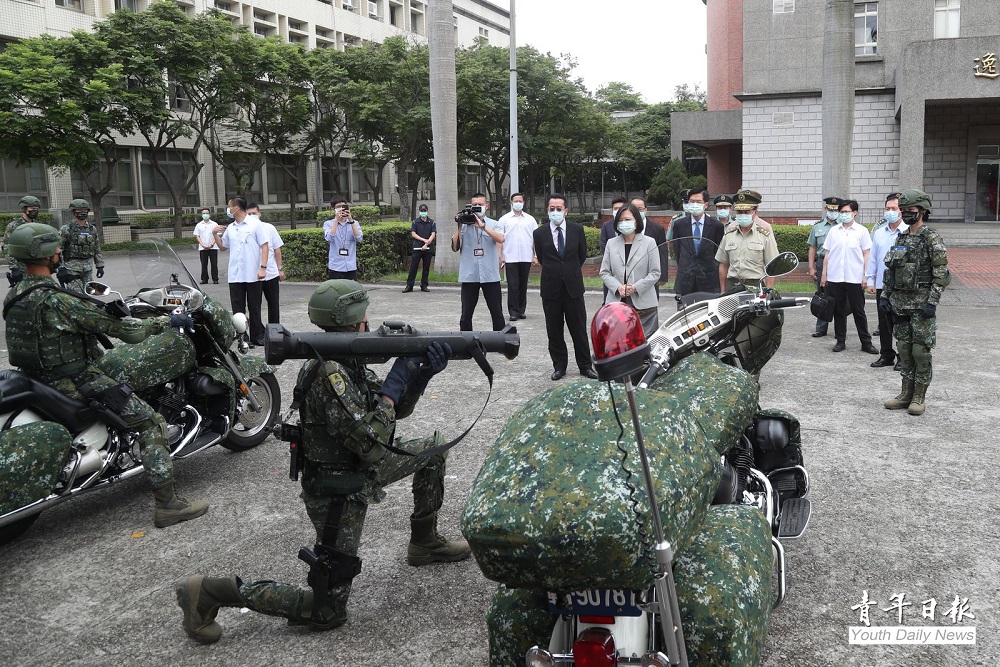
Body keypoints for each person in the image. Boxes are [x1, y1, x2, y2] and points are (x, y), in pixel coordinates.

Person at [173, 280, 469, 643]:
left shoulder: (348, 361)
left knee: (433, 450)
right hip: (338, 492)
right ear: (354, 321)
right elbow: (373, 443)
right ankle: (210, 592)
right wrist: (394, 386)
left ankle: (424, 541)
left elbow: (390, 414)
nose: (370, 322)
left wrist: (419, 378)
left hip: (359, 469)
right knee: (327, 612)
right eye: (365, 317)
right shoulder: (332, 374)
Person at [3, 223, 208, 527]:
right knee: (151, 421)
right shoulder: (57, 300)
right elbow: (126, 331)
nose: (61, 251)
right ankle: (168, 506)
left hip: (37, 379)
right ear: (44, 255)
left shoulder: (16, 295)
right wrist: (166, 323)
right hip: (76, 382)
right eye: (56, 248)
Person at [881, 189, 950, 416]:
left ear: (922, 211)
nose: (905, 214)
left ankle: (919, 396)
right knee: (904, 350)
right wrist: (885, 296)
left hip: (922, 306)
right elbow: (891, 270)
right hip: (900, 303)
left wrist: (932, 302)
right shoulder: (901, 238)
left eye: (909, 210)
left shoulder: (931, 238)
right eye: (903, 210)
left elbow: (941, 274)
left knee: (920, 351)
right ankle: (905, 394)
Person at [532, 193, 598, 381]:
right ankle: (559, 366)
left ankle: (585, 366)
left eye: (558, 209)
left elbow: (581, 255)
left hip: (573, 287)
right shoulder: (539, 233)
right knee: (554, 330)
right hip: (551, 288)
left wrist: (568, 270)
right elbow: (543, 258)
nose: (555, 212)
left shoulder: (577, 230)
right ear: (547, 210)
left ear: (566, 211)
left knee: (578, 329)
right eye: (551, 209)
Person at [820, 198, 878, 355]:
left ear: (855, 213)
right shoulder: (834, 231)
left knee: (859, 311)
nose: (843, 215)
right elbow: (827, 253)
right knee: (838, 310)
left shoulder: (861, 231)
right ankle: (840, 341)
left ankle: (866, 343)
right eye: (841, 212)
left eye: (846, 212)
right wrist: (824, 275)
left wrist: (866, 276)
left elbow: (867, 254)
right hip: (835, 278)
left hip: (854, 278)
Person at [214, 196, 269, 346]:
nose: (228, 209)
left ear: (236, 208)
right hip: (235, 275)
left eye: (229, 206)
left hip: (253, 274)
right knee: (238, 309)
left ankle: (257, 336)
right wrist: (214, 234)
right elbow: (223, 247)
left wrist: (263, 268)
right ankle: (242, 337)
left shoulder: (255, 224)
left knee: (254, 307)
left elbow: (265, 246)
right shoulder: (231, 228)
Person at [600, 203, 661, 336]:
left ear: (636, 221)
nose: (624, 223)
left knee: (644, 345)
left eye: (627, 220)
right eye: (620, 220)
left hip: (644, 305)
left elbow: (655, 272)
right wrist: (618, 287)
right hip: (617, 303)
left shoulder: (649, 242)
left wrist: (636, 287)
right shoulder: (611, 243)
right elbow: (604, 272)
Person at [451, 193, 506, 331]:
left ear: (486, 206)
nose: (476, 207)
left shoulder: (494, 224)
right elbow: (455, 247)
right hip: (470, 275)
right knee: (466, 314)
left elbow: (500, 239)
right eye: (474, 205)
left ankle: (500, 341)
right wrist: (459, 224)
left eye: (480, 205)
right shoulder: (464, 226)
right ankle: (465, 342)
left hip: (490, 274)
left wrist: (482, 226)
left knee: (497, 312)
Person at [866, 193, 907, 369]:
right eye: (888, 209)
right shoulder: (879, 233)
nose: (890, 212)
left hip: (902, 286)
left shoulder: (908, 232)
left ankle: (902, 357)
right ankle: (886, 355)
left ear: (901, 211)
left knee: (902, 322)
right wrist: (870, 280)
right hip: (883, 285)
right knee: (884, 322)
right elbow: (873, 258)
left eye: (894, 209)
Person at [715, 189, 778, 291]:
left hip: (756, 285)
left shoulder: (764, 234)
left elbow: (771, 266)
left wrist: (768, 291)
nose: (743, 215)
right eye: (740, 212)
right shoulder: (729, 234)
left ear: (754, 212)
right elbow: (723, 264)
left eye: (747, 212)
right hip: (732, 285)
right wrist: (722, 291)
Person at [670, 187, 725, 297]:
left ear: (705, 205)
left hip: (709, 281)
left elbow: (718, 252)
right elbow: (677, 250)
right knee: (685, 313)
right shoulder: (679, 225)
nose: (695, 204)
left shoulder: (716, 226)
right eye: (692, 201)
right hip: (685, 280)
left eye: (698, 202)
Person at [497, 193, 537, 320]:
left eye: (520, 201)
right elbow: (499, 239)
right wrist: (500, 255)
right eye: (516, 201)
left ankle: (521, 310)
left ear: (524, 202)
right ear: (511, 203)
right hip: (510, 256)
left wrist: (535, 255)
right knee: (513, 285)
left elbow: (535, 239)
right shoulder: (504, 219)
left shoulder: (530, 219)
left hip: (526, 256)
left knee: (523, 284)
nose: (518, 203)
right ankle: (513, 312)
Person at [807, 197, 842, 338]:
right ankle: (821, 328)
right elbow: (812, 248)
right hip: (822, 262)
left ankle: (840, 330)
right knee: (823, 294)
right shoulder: (818, 226)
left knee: (840, 296)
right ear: (825, 209)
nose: (832, 212)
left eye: (835, 210)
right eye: (830, 209)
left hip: (840, 262)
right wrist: (811, 267)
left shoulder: (843, 226)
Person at [247, 203, 284, 325]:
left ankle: (275, 329)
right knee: (254, 306)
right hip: (253, 275)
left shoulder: (269, 228)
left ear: (260, 214)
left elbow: (277, 250)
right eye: (249, 214)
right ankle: (258, 331)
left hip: (271, 273)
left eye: (254, 213)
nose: (252, 216)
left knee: (273, 303)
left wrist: (280, 269)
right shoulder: (245, 229)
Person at [58, 199, 105, 293]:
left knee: (90, 294)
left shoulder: (92, 229)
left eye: (85, 210)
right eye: (79, 210)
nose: (82, 212)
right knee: (77, 295)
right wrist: (61, 268)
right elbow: (58, 249)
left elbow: (96, 248)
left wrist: (100, 265)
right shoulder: (66, 229)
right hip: (71, 269)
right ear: (73, 211)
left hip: (87, 268)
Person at [630, 196, 669, 297]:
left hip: (650, 276)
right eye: (634, 209)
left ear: (645, 210)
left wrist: (662, 276)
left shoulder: (657, 229)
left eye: (640, 209)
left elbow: (662, 252)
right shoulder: (625, 228)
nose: (637, 212)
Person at [4, 195, 42, 287]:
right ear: (24, 209)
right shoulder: (14, 226)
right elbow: (7, 247)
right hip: (21, 267)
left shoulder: (38, 225)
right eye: (32, 208)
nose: (35, 211)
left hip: (36, 266)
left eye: (36, 209)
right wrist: (14, 268)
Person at [324, 196, 362, 280]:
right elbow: (329, 238)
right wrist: (336, 221)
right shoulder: (328, 224)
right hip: (336, 267)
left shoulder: (354, 223)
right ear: (333, 209)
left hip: (351, 266)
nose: (341, 209)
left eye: (343, 206)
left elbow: (359, 238)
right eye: (338, 207)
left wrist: (350, 220)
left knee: (351, 291)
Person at [403, 204, 436, 293]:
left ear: (427, 211)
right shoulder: (415, 222)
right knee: (413, 267)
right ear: (419, 211)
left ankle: (424, 285)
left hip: (428, 248)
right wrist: (423, 240)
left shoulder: (432, 222)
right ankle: (409, 286)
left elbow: (433, 233)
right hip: (417, 247)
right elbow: (413, 234)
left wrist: (428, 242)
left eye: (424, 211)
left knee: (426, 268)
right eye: (422, 211)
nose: (423, 213)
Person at [194, 208, 220, 285]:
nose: (205, 215)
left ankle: (215, 279)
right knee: (204, 264)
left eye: (206, 213)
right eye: (204, 213)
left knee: (214, 264)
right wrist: (202, 244)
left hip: (213, 247)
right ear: (202, 215)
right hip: (203, 247)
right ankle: (204, 279)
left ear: (209, 214)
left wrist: (211, 244)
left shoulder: (214, 224)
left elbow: (217, 236)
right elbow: (197, 236)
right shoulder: (199, 225)